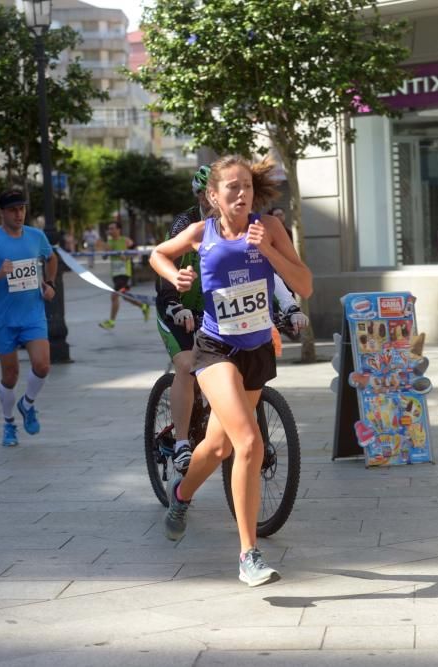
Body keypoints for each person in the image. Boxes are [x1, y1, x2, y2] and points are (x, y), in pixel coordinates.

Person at [150, 155, 312, 587]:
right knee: (248, 442)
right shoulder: (202, 232)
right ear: (213, 196)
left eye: (247, 187)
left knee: (218, 445)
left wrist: (269, 250)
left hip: (256, 349)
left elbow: (305, 284)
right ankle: (248, 555)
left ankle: (181, 495)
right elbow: (158, 254)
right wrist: (175, 278)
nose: (242, 195)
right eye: (232, 188)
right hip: (215, 349)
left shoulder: (271, 228)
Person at [0, 188, 58, 447]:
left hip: (32, 314)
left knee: (42, 366)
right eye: (13, 210)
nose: (19, 214)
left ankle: (27, 403)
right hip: (3, 319)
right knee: (10, 375)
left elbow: (51, 258)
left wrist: (49, 282)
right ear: (1, 213)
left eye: (22, 209)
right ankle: (8, 423)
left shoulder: (36, 236)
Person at [154, 165, 212, 475]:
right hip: (176, 308)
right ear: (200, 194)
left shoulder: (235, 223)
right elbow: (164, 265)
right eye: (207, 193)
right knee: (188, 366)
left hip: (214, 312)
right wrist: (176, 305)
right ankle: (180, 444)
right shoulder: (185, 223)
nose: (214, 199)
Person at [97, 220, 150, 329]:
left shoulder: (125, 241)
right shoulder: (109, 242)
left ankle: (111, 322)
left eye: (112, 228)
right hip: (115, 274)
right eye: (109, 229)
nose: (110, 231)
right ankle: (144, 306)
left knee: (114, 296)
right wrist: (105, 250)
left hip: (124, 273)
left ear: (118, 229)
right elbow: (104, 257)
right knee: (125, 296)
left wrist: (127, 257)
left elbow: (135, 252)